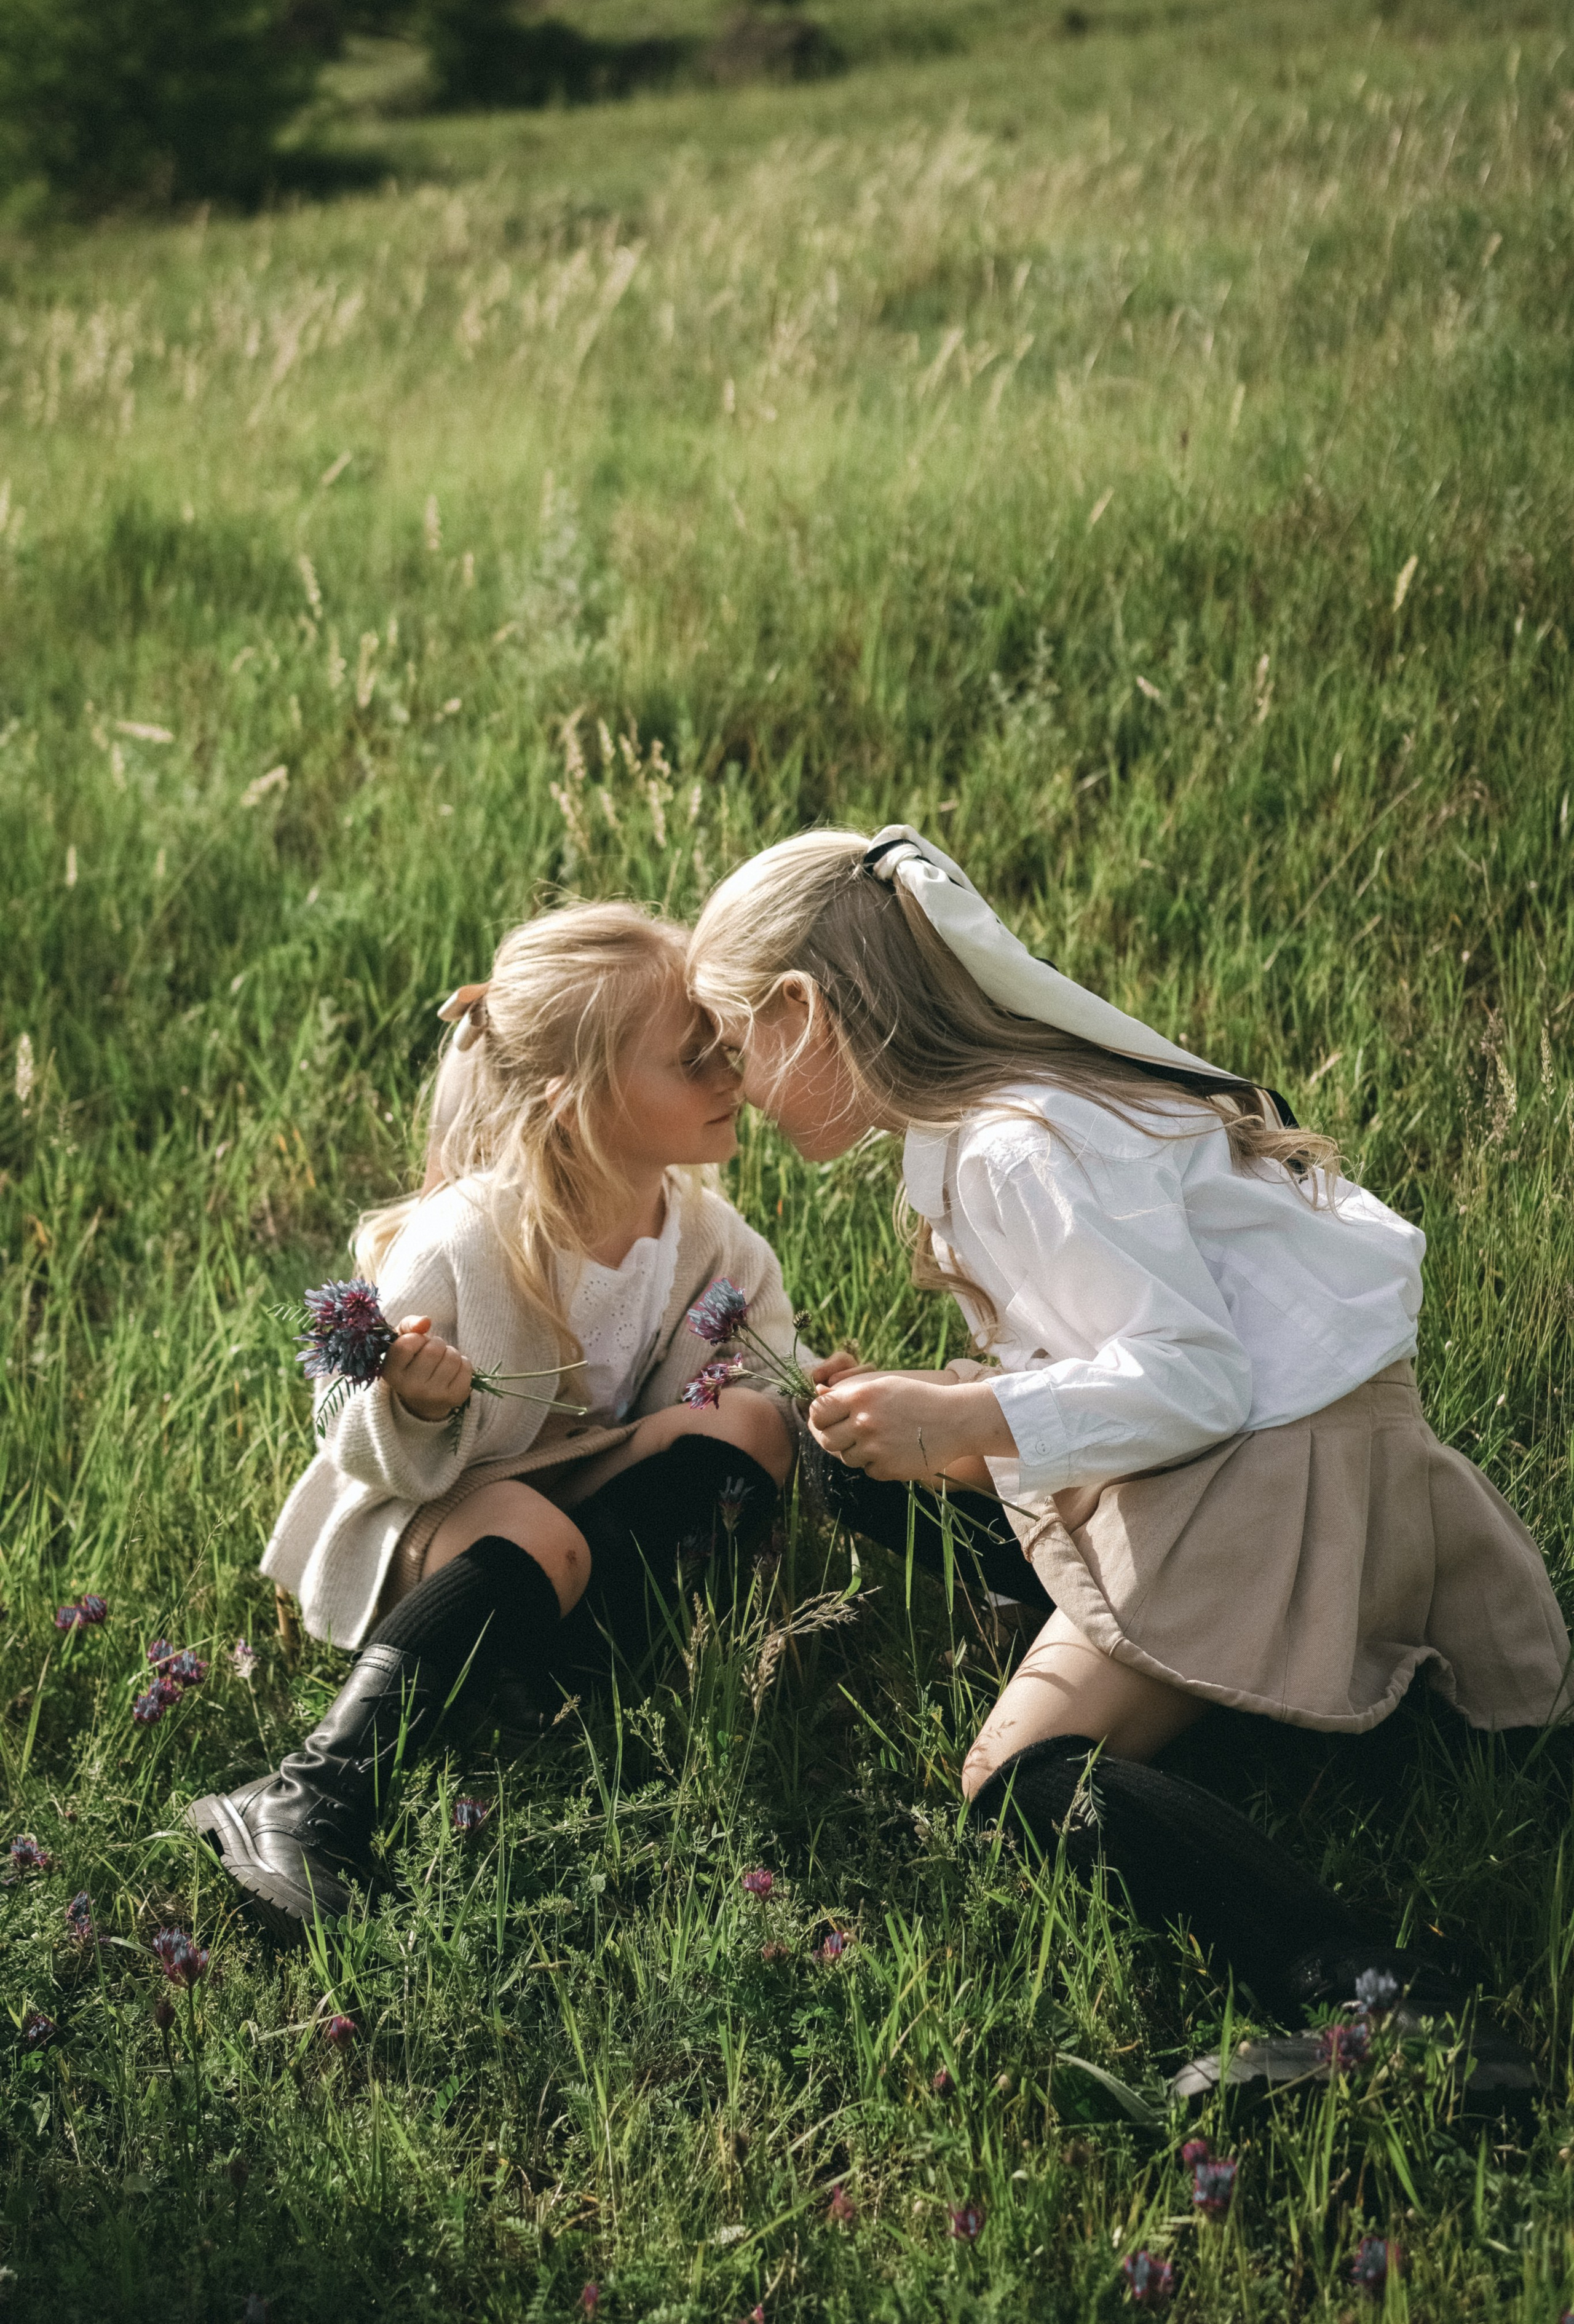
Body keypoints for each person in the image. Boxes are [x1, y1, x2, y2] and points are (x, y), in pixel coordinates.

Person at [687, 823, 1570, 2074]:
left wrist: (963, 1419)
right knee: (859, 1465)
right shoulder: (1010, 1108)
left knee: (1016, 1785)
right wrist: (943, 1408)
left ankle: (1379, 1995)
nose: (736, 1089)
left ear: (802, 1011)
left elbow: (1195, 1379)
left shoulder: (1014, 1150)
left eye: (735, 1048)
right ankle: (1191, 1688)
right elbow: (1145, 1355)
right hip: (1282, 1447)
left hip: (1275, 1484)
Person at [187, 903, 796, 1938]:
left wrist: (815, 1389)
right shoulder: (467, 1237)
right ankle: (308, 1795)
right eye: (692, 1059)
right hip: (435, 1509)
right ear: (577, 1102)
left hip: (573, 1486)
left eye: (721, 1049)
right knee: (539, 1535)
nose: (728, 1076)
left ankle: (556, 1685)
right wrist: (412, 1400)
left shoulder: (708, 1237)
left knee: (754, 1425)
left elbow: (746, 1361)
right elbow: (342, 1414)